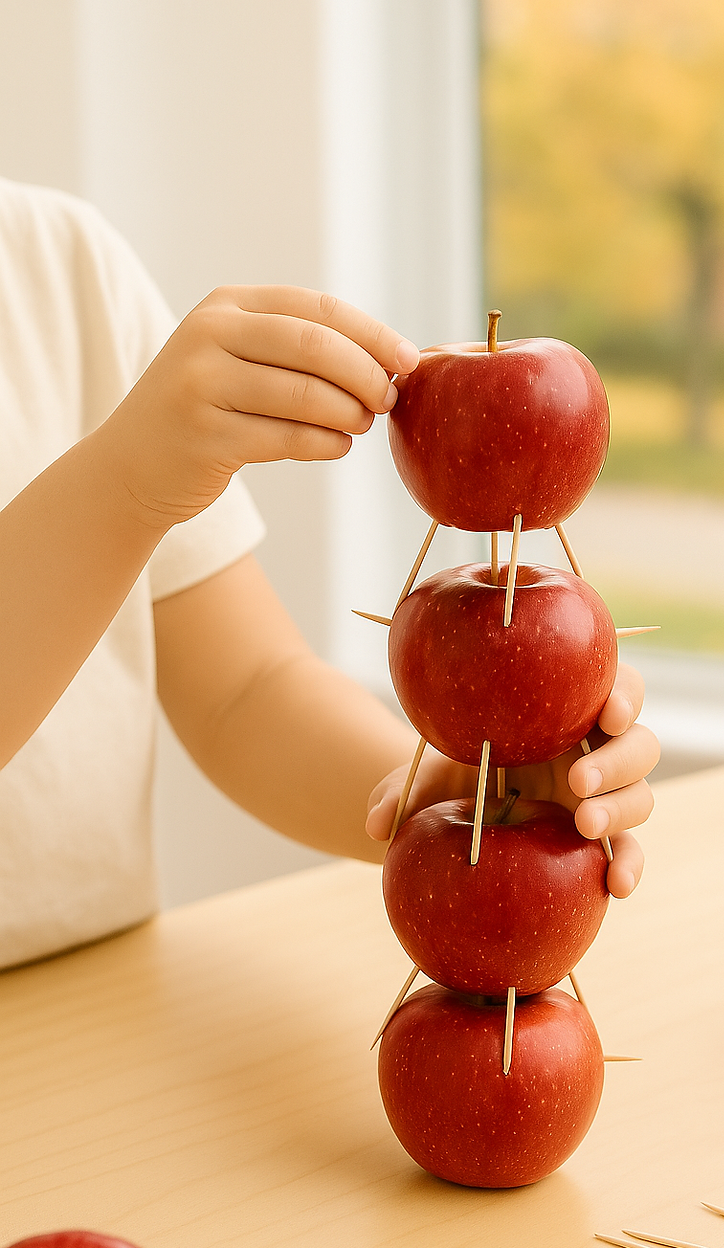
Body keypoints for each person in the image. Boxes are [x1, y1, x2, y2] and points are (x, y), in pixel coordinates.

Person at [0, 177, 659, 972]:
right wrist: (124, 485)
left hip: (107, 989)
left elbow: (242, 690)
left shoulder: (61, 262)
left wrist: (448, 790)